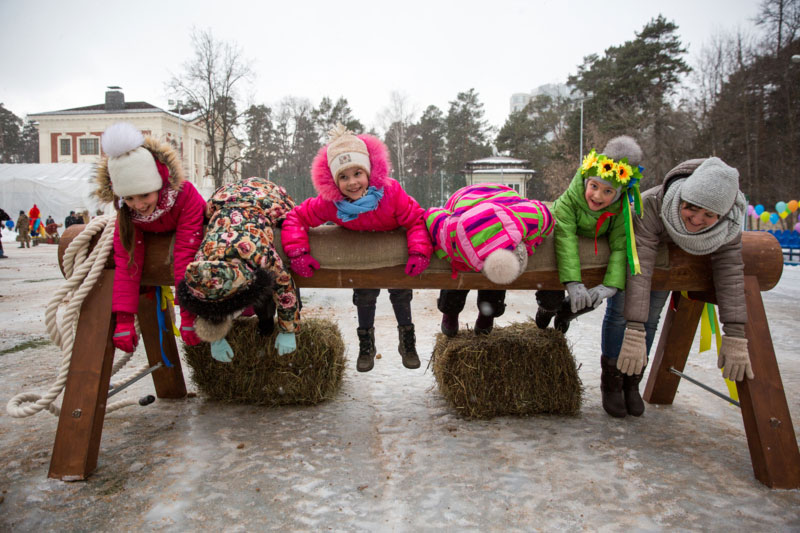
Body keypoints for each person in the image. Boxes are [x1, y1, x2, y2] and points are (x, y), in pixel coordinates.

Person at [601, 157, 751, 418]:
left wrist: (736, 333)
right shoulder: (652, 204)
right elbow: (640, 263)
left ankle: (632, 382)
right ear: (681, 198)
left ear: (723, 215)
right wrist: (633, 327)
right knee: (621, 315)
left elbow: (730, 272)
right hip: (637, 258)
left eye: (709, 215)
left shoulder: (730, 225)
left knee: (651, 319)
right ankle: (612, 382)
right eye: (691, 208)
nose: (696, 219)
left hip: (669, 270)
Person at [281, 124, 433, 372]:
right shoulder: (331, 202)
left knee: (401, 292)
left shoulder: (391, 193)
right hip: (362, 255)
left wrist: (419, 250)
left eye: (357, 173)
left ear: (370, 172)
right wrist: (298, 252)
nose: (352, 183)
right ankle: (366, 344)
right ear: (333, 180)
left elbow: (416, 219)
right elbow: (296, 218)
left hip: (394, 250)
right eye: (343, 176)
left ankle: (407, 342)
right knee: (364, 293)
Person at [92, 121, 206, 353]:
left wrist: (188, 315)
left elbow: (186, 256)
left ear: (160, 183)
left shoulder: (186, 197)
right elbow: (128, 262)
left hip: (191, 247)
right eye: (130, 198)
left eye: (144, 195)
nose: (139, 205)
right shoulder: (127, 213)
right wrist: (124, 320)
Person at [177, 177, 301, 361]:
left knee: (289, 219)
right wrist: (215, 338)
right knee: (209, 210)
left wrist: (288, 330)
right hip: (224, 198)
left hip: (265, 198)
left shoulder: (259, 256)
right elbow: (207, 294)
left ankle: (266, 322)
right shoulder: (202, 263)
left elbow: (284, 286)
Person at [535, 136, 644, 334]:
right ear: (586, 181)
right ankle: (547, 309)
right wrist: (573, 283)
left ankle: (566, 314)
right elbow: (565, 237)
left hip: (589, 261)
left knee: (590, 300)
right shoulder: (568, 201)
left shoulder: (620, 211)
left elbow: (621, 245)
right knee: (550, 298)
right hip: (561, 260)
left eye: (608, 191)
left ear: (618, 194)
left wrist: (611, 285)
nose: (597, 196)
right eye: (594, 186)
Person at [426, 183, 554, 336]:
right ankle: (451, 310)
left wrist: (531, 245)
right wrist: (448, 255)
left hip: (505, 198)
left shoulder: (532, 218)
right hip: (463, 200)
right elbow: (431, 215)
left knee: (498, 279)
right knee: (457, 265)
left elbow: (548, 216)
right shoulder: (450, 233)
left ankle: (488, 312)